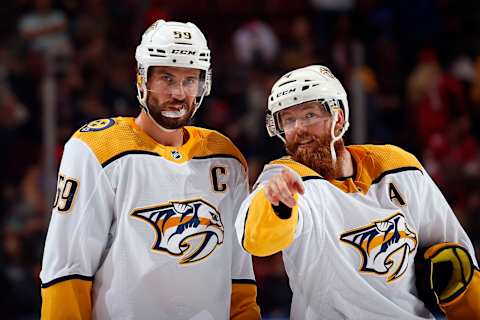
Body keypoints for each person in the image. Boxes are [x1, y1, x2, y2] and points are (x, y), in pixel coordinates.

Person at [40, 20, 260, 320]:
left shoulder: (225, 158)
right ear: (141, 79)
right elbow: (67, 269)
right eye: (167, 78)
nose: (179, 94)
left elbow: (240, 280)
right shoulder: (97, 148)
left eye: (189, 80)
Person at [236, 65, 479, 319]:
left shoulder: (398, 166)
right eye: (288, 120)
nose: (298, 128)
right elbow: (256, 240)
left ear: (338, 119)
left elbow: (458, 262)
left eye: (309, 115)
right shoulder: (285, 178)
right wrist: (277, 206)